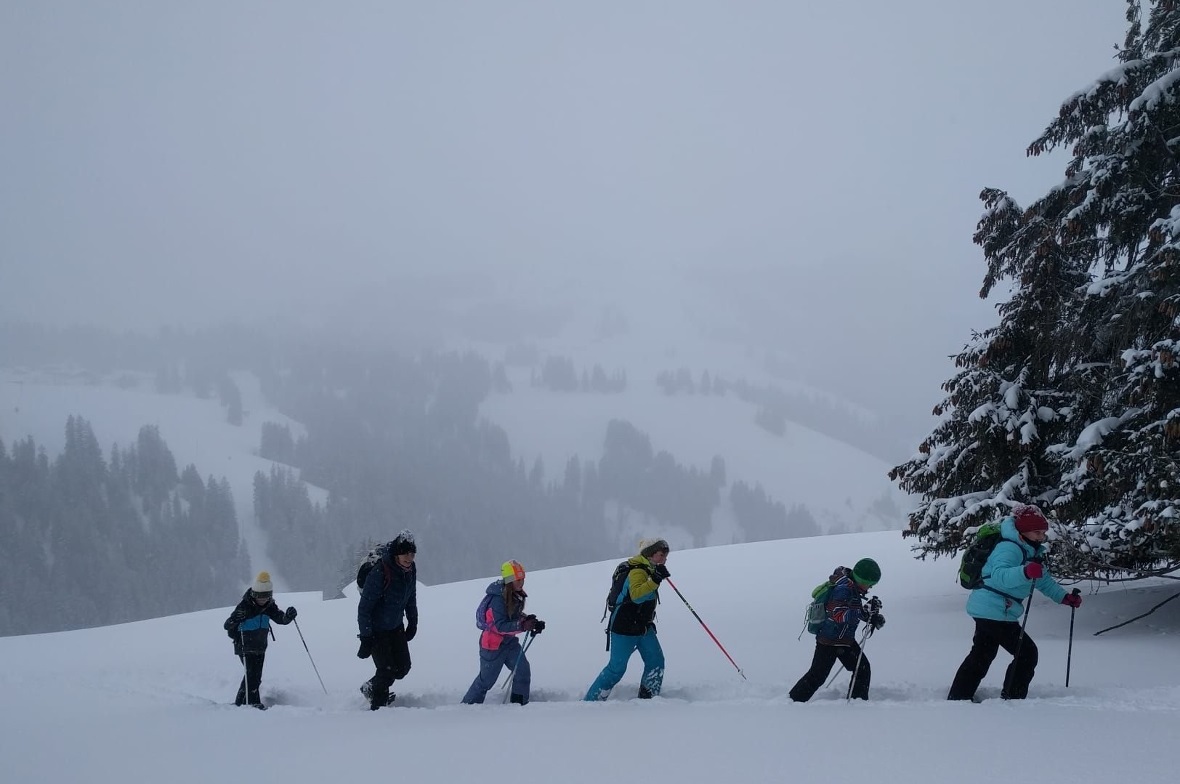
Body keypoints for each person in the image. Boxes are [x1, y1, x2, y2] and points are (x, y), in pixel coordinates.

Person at [947, 504, 1080, 701]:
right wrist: (1025, 572)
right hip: (994, 608)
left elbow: (1042, 579)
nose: (1041, 536)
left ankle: (959, 697)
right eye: (1037, 532)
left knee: (982, 655)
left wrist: (1064, 597)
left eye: (1043, 532)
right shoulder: (1009, 548)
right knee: (1026, 653)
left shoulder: (1030, 549)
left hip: (993, 609)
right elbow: (1000, 575)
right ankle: (1013, 700)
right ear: (1023, 530)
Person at [585, 538, 670, 701]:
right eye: (661, 555)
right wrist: (656, 580)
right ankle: (591, 701)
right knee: (616, 669)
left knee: (656, 661)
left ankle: (649, 698)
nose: (664, 559)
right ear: (650, 554)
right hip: (624, 628)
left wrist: (655, 578)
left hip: (644, 627)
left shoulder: (650, 568)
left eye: (665, 556)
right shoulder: (637, 570)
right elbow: (637, 596)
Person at [789, 558, 883, 702]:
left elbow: (850, 610)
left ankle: (858, 703)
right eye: (868, 584)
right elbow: (838, 615)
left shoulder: (853, 587)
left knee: (862, 669)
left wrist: (870, 615)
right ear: (860, 579)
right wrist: (861, 611)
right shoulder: (843, 589)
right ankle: (792, 702)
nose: (869, 588)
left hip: (844, 640)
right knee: (817, 676)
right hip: (829, 641)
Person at [461, 559, 545, 705]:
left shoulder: (516, 594)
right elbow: (500, 626)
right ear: (508, 580)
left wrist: (531, 622)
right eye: (516, 579)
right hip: (492, 646)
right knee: (486, 681)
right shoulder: (497, 600)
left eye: (522, 578)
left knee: (523, 670)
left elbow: (513, 616)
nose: (520, 582)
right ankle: (467, 707)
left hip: (509, 643)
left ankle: (519, 705)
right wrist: (523, 625)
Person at [357, 530, 418, 711]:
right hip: (377, 630)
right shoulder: (380, 573)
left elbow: (411, 596)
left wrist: (413, 622)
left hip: (395, 626)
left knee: (403, 668)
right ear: (396, 554)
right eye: (405, 553)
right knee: (386, 670)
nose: (409, 558)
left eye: (412, 553)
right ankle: (378, 710)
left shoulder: (410, 570)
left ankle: (371, 687)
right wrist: (366, 638)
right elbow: (364, 608)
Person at [223, 570, 297, 709]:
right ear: (253, 593)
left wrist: (288, 617)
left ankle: (241, 704)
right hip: (244, 646)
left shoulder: (269, 606)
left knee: (254, 676)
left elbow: (280, 619)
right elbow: (227, 625)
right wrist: (235, 618)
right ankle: (252, 704)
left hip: (260, 646)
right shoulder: (244, 606)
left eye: (266, 596)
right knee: (252, 675)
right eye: (259, 596)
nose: (262, 599)